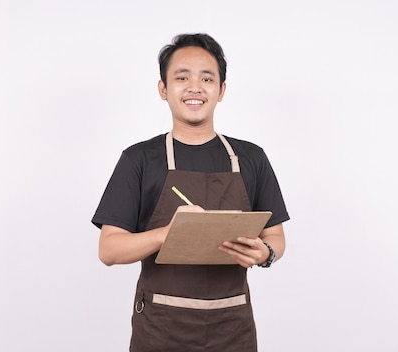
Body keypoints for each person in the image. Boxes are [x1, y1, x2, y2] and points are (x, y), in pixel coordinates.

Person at [91, 33, 290, 352]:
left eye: (207, 78)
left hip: (232, 329)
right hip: (161, 329)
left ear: (221, 90)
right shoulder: (139, 160)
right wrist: (168, 234)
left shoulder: (251, 158)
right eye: (182, 77)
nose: (195, 87)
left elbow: (276, 237)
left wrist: (265, 253)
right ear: (163, 89)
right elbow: (109, 251)